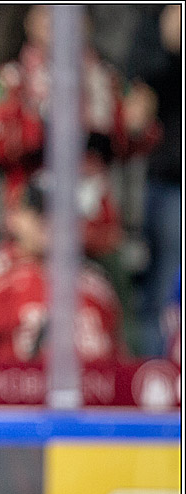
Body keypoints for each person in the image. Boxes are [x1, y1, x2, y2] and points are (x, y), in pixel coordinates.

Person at [0, 5, 160, 346]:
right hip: (35, 233)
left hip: (95, 230)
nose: (59, 25)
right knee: (29, 332)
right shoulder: (10, 79)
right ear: (29, 22)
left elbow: (133, 141)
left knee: (118, 333)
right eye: (46, 15)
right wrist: (44, 124)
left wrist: (140, 123)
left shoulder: (104, 78)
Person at [0, 175, 126, 365]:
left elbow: (120, 367)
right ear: (14, 218)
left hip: (86, 390)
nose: (47, 220)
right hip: (13, 391)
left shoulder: (98, 288)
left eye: (58, 212)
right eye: (38, 211)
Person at [126, 4, 181, 358]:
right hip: (170, 178)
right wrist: (170, 46)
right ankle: (158, 367)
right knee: (164, 279)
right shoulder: (152, 26)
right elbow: (137, 105)